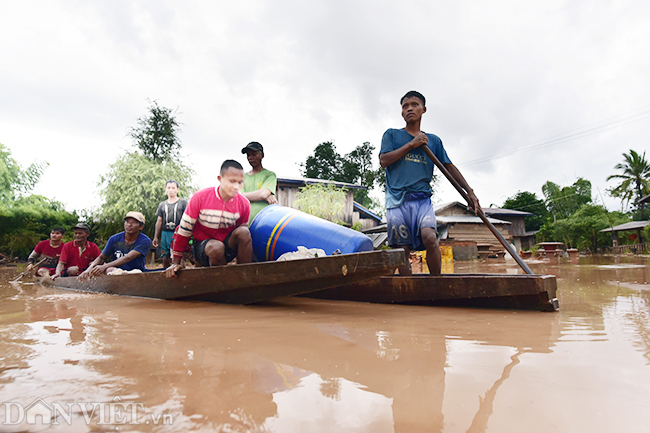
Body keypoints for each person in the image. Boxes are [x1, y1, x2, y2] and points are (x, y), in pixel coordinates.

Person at [379, 90, 481, 276]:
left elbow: (449, 167)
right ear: (401, 112)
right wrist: (412, 144)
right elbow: (384, 161)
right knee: (403, 248)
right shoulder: (392, 135)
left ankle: (437, 284)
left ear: (423, 109)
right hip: (397, 201)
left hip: (422, 199)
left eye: (414, 105)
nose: (409, 109)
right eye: (405, 106)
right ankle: (408, 288)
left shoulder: (433, 141)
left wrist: (470, 192)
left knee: (430, 238)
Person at [166, 160, 252, 278]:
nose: (236, 187)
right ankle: (222, 278)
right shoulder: (199, 197)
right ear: (220, 179)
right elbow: (185, 230)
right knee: (216, 247)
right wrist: (175, 263)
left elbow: (241, 236)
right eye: (232, 181)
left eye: (240, 182)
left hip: (226, 247)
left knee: (244, 232)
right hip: (204, 248)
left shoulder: (244, 203)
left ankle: (245, 276)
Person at [79, 212, 152, 279]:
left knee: (136, 272)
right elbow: (102, 257)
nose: (129, 225)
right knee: (110, 270)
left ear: (141, 226)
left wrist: (104, 266)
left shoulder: (145, 241)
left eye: (134, 222)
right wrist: (88, 270)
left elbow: (128, 257)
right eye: (127, 222)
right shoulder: (114, 239)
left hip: (136, 271)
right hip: (117, 271)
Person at [153, 180, 188, 268]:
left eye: (173, 188)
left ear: (177, 190)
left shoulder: (183, 203)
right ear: (165, 189)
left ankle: (183, 278)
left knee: (179, 257)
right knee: (165, 257)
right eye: (169, 188)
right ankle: (166, 278)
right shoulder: (162, 205)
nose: (171, 190)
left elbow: (188, 219)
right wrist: (156, 236)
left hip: (178, 233)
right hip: (165, 233)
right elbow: (159, 221)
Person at [240, 141, 277, 223]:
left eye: (254, 154)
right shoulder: (242, 177)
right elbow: (238, 197)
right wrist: (262, 195)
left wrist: (244, 196)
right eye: (248, 155)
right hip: (244, 223)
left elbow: (263, 194)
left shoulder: (270, 175)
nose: (250, 157)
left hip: (263, 223)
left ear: (262, 155)